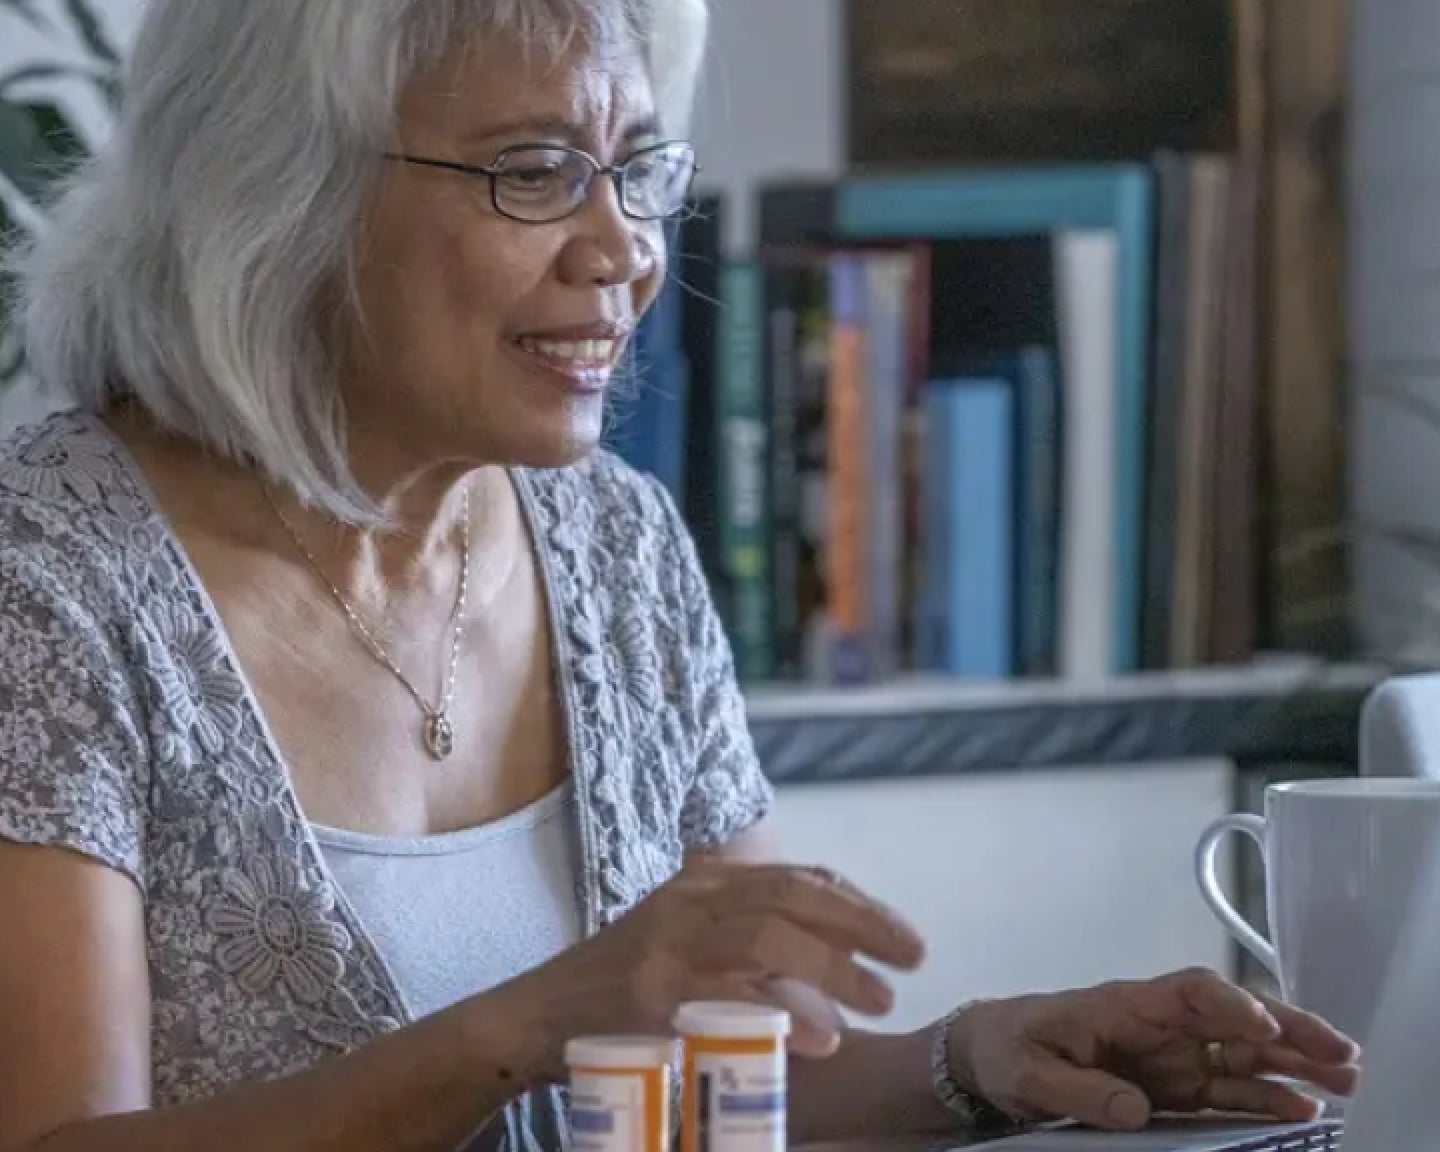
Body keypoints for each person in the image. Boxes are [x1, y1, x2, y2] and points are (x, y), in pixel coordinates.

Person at [0, 2, 1358, 1150]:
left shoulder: (616, 539)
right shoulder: (49, 578)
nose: (626, 250)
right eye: (533, 171)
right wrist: (527, 1026)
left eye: (636, 169)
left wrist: (987, 1057)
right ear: (278, 190)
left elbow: (730, 1070)